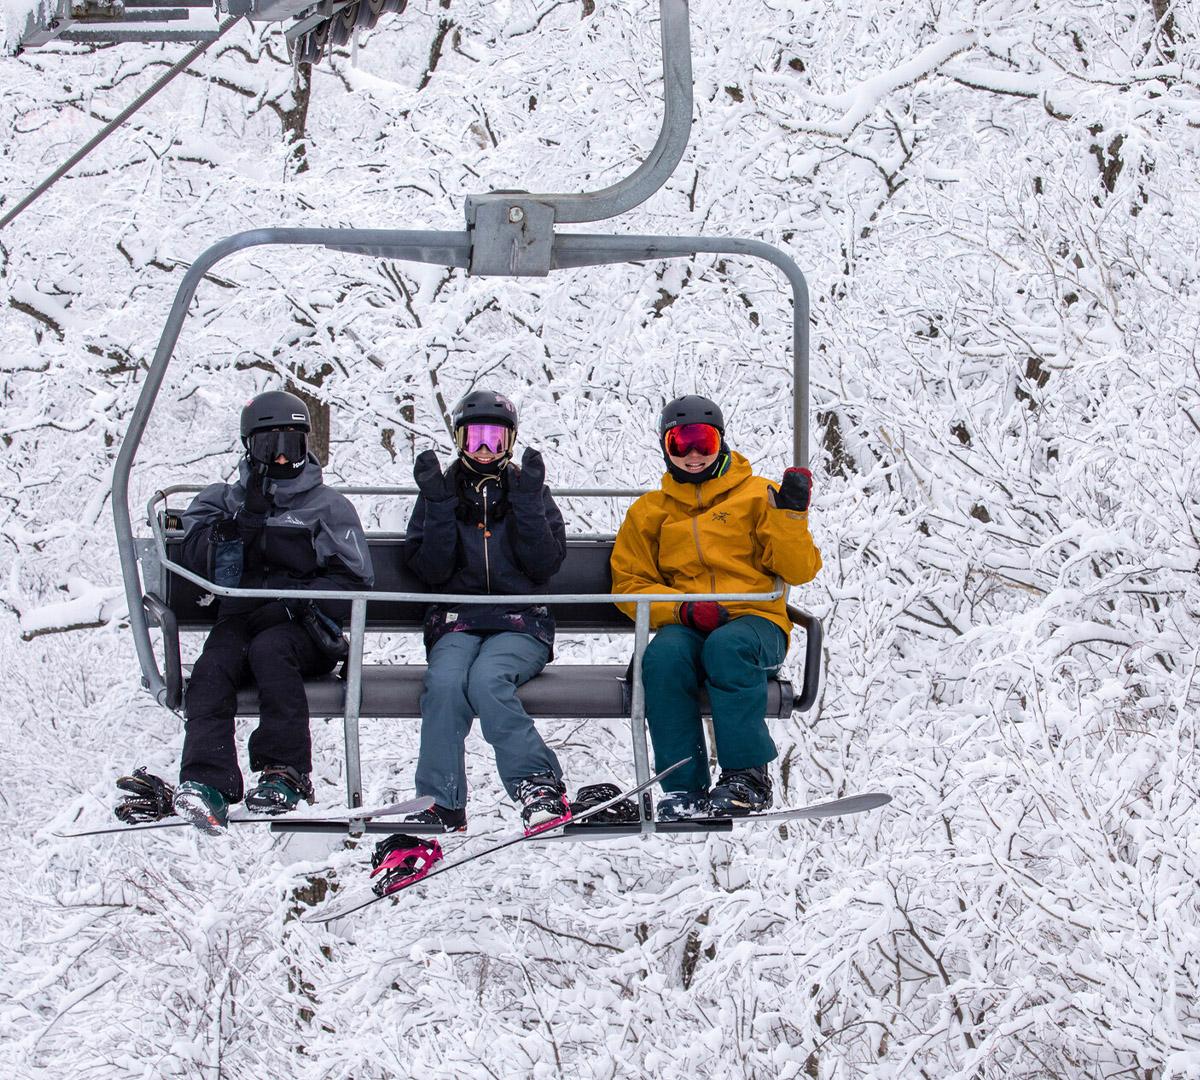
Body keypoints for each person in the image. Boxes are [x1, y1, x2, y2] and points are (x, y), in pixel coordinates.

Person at [116, 390, 374, 834]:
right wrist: (238, 526)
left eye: (290, 446)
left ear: (306, 447)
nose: (279, 459)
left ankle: (285, 771)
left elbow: (356, 581)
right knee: (213, 669)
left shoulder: (327, 507)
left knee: (272, 652)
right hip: (238, 620)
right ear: (248, 448)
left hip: (304, 628)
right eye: (268, 447)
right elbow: (193, 563)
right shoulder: (221, 500)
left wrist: (297, 593)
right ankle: (206, 779)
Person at [610, 394, 822, 819]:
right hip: (689, 621)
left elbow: (799, 571)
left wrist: (791, 519)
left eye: (703, 442)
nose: (692, 455)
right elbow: (629, 583)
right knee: (663, 658)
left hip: (755, 620)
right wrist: (683, 609)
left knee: (727, 648)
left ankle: (747, 776)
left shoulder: (759, 496)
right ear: (665, 447)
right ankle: (681, 785)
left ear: (720, 442)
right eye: (680, 443)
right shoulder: (650, 511)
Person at [401, 389, 570, 835]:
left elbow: (544, 564)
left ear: (510, 442)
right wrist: (438, 506)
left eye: (494, 440)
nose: (484, 450)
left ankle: (536, 783)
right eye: (475, 438)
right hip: (458, 619)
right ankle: (441, 799)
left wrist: (528, 503)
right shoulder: (440, 494)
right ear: (458, 439)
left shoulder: (531, 492)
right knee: (444, 683)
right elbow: (430, 571)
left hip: (520, 621)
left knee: (488, 680)